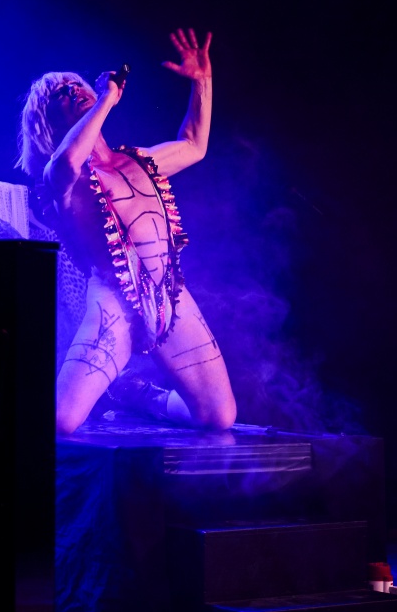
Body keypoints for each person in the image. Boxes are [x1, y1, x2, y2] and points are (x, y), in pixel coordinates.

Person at [16, 27, 237, 435]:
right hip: (113, 302)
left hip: (169, 297)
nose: (73, 90)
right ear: (47, 122)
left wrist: (202, 82)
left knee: (218, 417)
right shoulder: (60, 175)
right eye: (60, 93)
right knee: (62, 420)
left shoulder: (140, 160)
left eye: (76, 84)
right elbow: (68, 162)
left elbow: (194, 145)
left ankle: (141, 395)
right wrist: (106, 99)